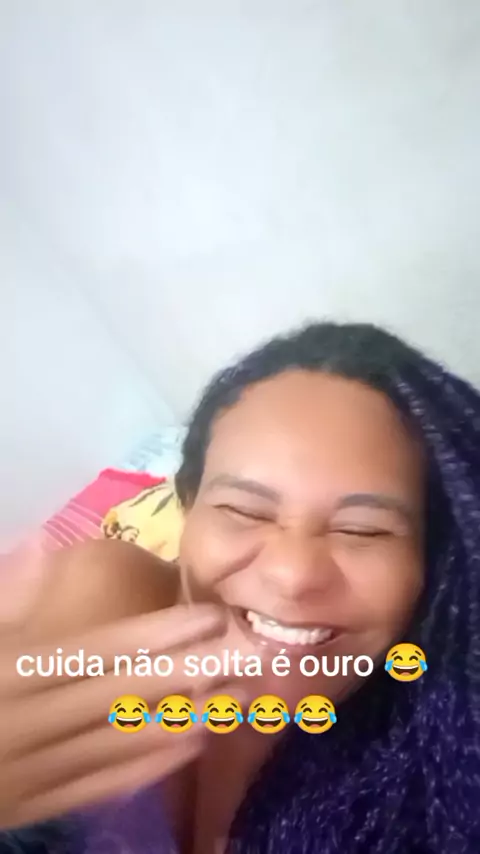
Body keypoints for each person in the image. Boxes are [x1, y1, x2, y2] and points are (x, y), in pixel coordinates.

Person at [1, 321, 479, 853]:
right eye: (244, 510)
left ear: (432, 558)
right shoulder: (109, 601)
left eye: (362, 530)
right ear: (187, 507)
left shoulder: (446, 757)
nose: (292, 575)